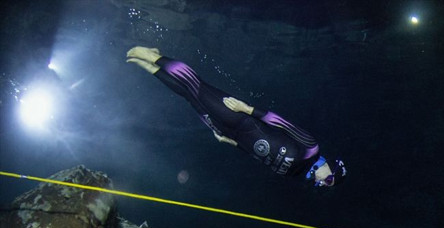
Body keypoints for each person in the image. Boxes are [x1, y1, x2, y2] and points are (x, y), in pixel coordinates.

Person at [126, 46, 346, 187]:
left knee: (189, 96)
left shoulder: (293, 175)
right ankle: (154, 56)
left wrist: (230, 142)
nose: (324, 183)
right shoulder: (311, 148)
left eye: (326, 184)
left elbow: (257, 156)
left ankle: (150, 68)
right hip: (239, 118)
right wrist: (246, 108)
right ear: (331, 166)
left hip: (229, 132)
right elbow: (281, 123)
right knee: (197, 86)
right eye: (329, 180)